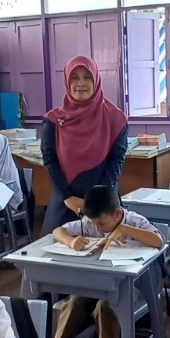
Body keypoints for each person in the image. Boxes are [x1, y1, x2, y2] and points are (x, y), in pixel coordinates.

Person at [49, 185, 164, 338]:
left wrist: (125, 229)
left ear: (118, 214)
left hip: (132, 287)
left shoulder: (134, 221)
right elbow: (57, 231)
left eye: (101, 223)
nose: (96, 227)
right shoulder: (90, 222)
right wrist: (71, 240)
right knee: (74, 301)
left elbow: (158, 240)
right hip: (96, 283)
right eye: (92, 222)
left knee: (107, 305)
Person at [41, 56, 128, 235]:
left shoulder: (116, 119)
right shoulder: (53, 121)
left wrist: (96, 200)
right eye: (74, 77)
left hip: (104, 200)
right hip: (65, 200)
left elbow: (116, 160)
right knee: (53, 247)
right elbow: (49, 160)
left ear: (96, 80)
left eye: (87, 77)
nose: (80, 83)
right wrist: (67, 197)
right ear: (67, 81)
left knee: (108, 248)